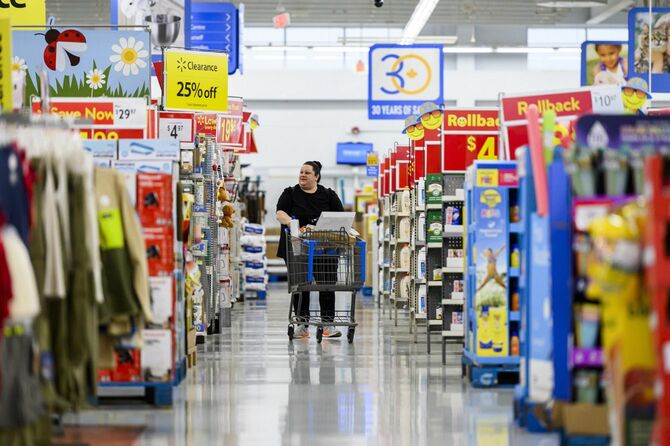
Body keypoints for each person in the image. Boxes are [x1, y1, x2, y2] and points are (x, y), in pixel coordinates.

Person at [276, 161, 344, 339]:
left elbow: (340, 217)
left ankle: (328, 324)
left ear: (316, 176)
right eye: (301, 172)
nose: (302, 175)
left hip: (325, 249)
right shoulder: (290, 193)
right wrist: (293, 224)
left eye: (307, 173)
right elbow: (280, 213)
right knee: (301, 286)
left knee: (327, 285)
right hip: (298, 248)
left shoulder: (328, 195)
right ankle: (302, 325)